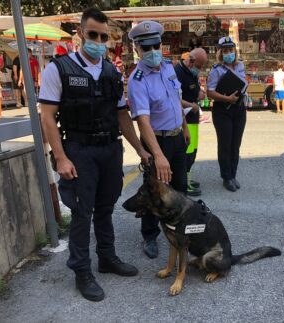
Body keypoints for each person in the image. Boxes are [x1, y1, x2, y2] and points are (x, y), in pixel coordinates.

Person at [40, 8, 149, 302]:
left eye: (104, 36)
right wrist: (61, 158)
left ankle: (107, 258)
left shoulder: (112, 72)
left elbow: (122, 115)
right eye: (93, 35)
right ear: (80, 34)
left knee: (105, 207)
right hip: (78, 151)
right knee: (81, 212)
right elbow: (47, 117)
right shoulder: (58, 69)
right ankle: (81, 270)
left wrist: (140, 148)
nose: (98, 41)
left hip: (109, 149)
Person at [127, 20, 190, 259]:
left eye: (156, 46)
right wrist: (158, 156)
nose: (152, 52)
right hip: (157, 143)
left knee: (180, 187)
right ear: (137, 49)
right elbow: (143, 121)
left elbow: (176, 99)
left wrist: (184, 126)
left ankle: (179, 228)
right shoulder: (138, 80)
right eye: (146, 48)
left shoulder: (168, 67)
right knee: (154, 192)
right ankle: (150, 236)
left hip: (175, 138)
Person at [207, 36, 247, 192]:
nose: (228, 53)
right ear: (220, 53)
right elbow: (209, 92)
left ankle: (233, 175)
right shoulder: (216, 70)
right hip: (222, 110)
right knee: (225, 145)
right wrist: (226, 98)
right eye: (225, 51)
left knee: (235, 145)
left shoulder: (240, 66)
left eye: (231, 50)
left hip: (239, 109)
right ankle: (226, 177)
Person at [174, 48, 208, 196]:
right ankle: (183, 182)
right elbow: (174, 98)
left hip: (193, 119)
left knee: (192, 152)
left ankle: (187, 178)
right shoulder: (177, 73)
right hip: (184, 120)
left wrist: (200, 92)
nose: (199, 70)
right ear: (191, 61)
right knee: (186, 154)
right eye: (199, 66)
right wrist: (191, 105)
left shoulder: (190, 72)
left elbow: (193, 88)